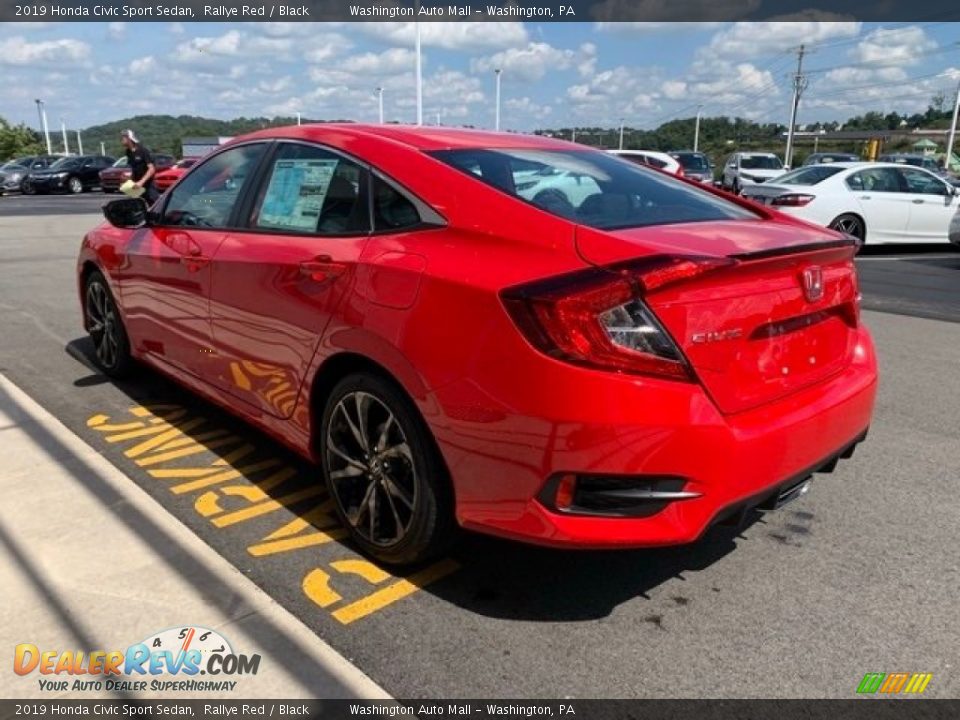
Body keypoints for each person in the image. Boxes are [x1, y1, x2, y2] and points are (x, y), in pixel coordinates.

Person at [120, 129, 159, 204]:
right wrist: (128, 179)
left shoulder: (143, 150)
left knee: (154, 205)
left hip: (148, 185)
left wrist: (141, 182)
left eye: (123, 137)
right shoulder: (128, 152)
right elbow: (134, 168)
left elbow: (151, 169)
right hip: (137, 186)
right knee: (138, 206)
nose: (121, 139)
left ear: (129, 138)